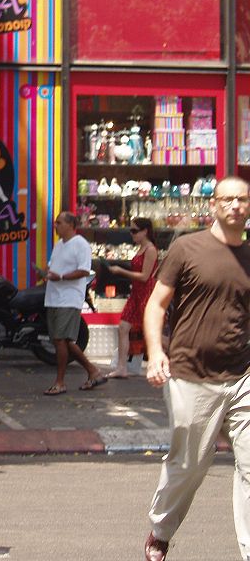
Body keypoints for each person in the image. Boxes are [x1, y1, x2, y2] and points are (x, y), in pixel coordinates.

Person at [142, 177, 250, 561]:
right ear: (214, 205)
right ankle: (161, 529)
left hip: (242, 377)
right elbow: (156, 305)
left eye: (242, 199)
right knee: (188, 466)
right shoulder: (187, 248)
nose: (236, 205)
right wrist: (156, 353)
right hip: (191, 376)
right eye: (228, 199)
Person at [41, 211, 106, 395]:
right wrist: (46, 273)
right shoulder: (59, 244)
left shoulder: (80, 244)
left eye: (59, 222)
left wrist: (61, 277)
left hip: (69, 297)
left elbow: (84, 270)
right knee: (62, 340)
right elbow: (52, 265)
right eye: (55, 223)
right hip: (53, 296)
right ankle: (93, 371)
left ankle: (60, 382)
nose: (56, 226)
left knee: (61, 339)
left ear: (70, 225)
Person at [106, 217, 158, 379]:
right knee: (123, 327)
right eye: (131, 230)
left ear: (145, 231)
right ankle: (122, 367)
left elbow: (144, 276)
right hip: (136, 293)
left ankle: (178, 352)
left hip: (145, 294)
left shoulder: (150, 249)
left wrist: (121, 271)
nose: (132, 234)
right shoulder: (142, 248)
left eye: (135, 231)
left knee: (151, 331)